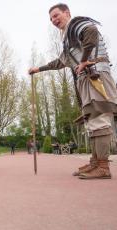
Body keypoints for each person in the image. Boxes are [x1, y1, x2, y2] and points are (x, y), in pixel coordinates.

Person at [28, 3, 117, 179]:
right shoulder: (68, 38)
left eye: (56, 15)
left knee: (100, 120)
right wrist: (38, 69)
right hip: (86, 79)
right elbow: (60, 62)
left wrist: (84, 60)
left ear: (67, 13)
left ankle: (103, 166)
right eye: (51, 18)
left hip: (96, 75)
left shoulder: (76, 24)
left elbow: (91, 32)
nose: (53, 20)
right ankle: (95, 163)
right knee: (92, 123)